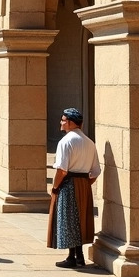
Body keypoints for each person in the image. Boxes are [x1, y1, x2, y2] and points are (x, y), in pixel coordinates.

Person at [47, 107, 101, 268]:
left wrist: (55, 187)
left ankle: (72, 257)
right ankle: (79, 256)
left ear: (70, 123)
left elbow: (62, 169)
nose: (61, 122)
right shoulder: (89, 142)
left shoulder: (66, 141)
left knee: (69, 219)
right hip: (84, 183)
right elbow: (96, 171)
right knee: (81, 219)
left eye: (63, 120)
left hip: (69, 183)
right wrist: (85, 184)